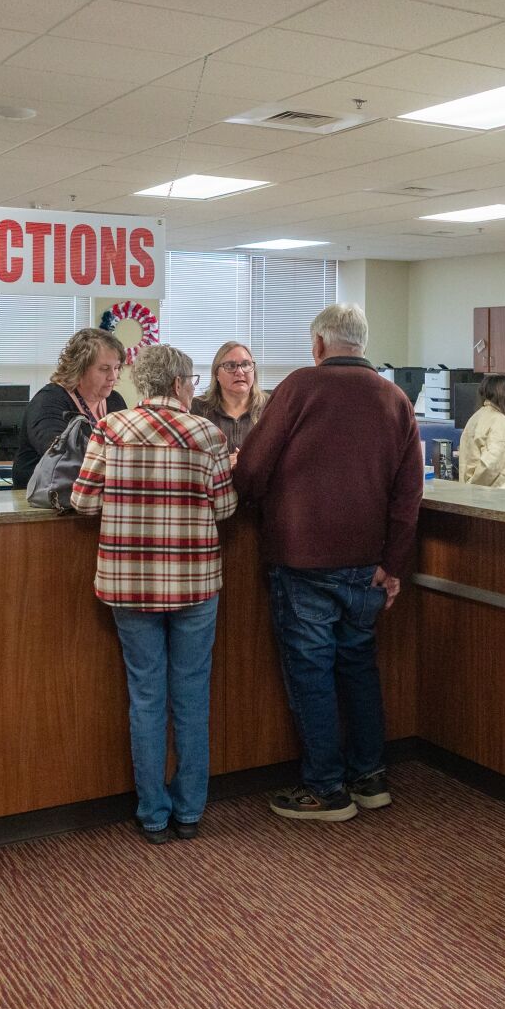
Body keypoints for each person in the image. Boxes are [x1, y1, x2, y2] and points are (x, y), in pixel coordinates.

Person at [232, 303, 422, 822]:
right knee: (358, 667)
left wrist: (251, 498)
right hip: (368, 563)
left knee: (311, 672)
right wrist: (394, 562)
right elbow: (409, 494)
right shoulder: (395, 398)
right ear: (361, 342)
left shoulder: (300, 387)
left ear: (319, 345)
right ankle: (370, 777)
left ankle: (326, 790)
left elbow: (251, 467)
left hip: (303, 558)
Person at [70, 344, 235, 844]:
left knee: (146, 696)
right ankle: (189, 812)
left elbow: (82, 500)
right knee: (190, 698)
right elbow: (225, 508)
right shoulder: (208, 434)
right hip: (194, 582)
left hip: (130, 583)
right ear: (183, 384)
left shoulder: (110, 430)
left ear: (142, 384)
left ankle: (154, 815)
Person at [13, 328, 127, 489]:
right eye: (104, 369)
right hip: (42, 500)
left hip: (93, 495)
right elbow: (61, 456)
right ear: (79, 368)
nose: (113, 377)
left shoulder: (115, 401)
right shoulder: (48, 401)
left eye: (116, 368)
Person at [190, 340, 268, 457]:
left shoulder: (271, 406)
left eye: (246, 364)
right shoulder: (196, 407)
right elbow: (191, 454)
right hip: (213, 474)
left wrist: (246, 461)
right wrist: (223, 463)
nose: (240, 372)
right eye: (230, 366)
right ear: (216, 374)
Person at [458, 374, 505, 490]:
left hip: (471, 491)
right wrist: (473, 487)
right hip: (496, 495)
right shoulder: (502, 422)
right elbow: (491, 465)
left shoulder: (475, 418)